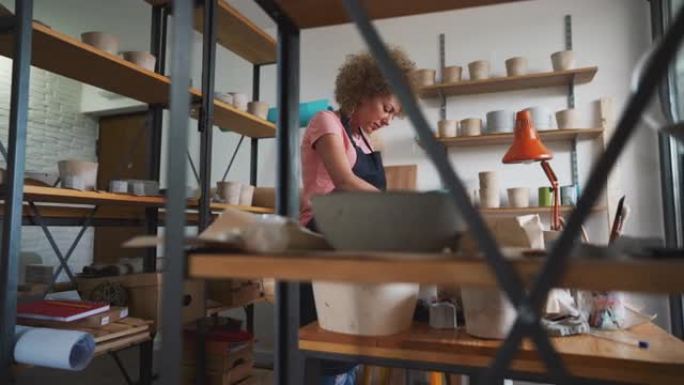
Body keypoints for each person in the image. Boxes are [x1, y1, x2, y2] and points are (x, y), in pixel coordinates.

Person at [298, 48, 416, 385]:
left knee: (352, 346)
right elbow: (344, 181)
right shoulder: (326, 122)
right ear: (364, 92)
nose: (388, 118)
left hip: (351, 240)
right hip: (320, 239)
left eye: (394, 113)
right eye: (386, 108)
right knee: (327, 352)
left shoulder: (367, 141)